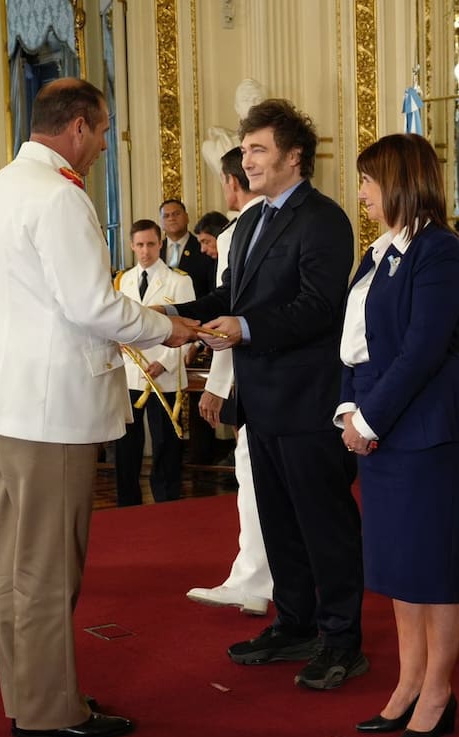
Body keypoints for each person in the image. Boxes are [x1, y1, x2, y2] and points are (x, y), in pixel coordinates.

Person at [0, 77, 196, 737]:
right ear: (79, 126)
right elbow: (90, 304)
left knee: (17, 560)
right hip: (47, 407)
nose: (104, 145)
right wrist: (166, 326)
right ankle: (50, 711)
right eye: (104, 130)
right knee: (48, 563)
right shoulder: (58, 195)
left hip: (1, 399)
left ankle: (32, 692)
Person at [174, 99, 366, 691]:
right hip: (261, 401)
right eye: (246, 149)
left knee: (324, 524)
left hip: (308, 401)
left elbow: (319, 307)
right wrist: (172, 314)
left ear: (294, 156)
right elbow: (231, 297)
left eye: (258, 149)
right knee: (278, 523)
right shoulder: (252, 221)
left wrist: (246, 328)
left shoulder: (324, 218)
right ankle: (295, 624)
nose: (247, 160)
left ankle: (341, 639)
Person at [337, 133, 459, 737]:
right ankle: (408, 682)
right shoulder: (376, 254)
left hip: (425, 428)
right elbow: (355, 346)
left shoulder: (439, 249)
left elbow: (422, 351)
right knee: (398, 562)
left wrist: (368, 420)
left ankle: (438, 691)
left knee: (431, 562)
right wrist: (349, 408)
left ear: (399, 181)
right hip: (379, 420)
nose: (362, 193)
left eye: (369, 181)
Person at [186, 146, 274, 616]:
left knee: (252, 476)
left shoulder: (236, 232)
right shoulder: (265, 223)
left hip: (250, 370)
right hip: (274, 369)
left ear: (230, 182)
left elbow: (229, 313)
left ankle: (253, 579)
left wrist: (217, 385)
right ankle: (260, 576)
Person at [113, 219, 195, 506]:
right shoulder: (123, 280)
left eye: (150, 244)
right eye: (139, 245)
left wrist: (165, 361)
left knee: (165, 442)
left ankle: (167, 499)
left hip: (164, 373)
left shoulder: (179, 281)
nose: (145, 251)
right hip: (131, 371)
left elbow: (189, 329)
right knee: (126, 442)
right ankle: (127, 501)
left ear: (160, 244)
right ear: (132, 246)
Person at [160, 198, 216, 298]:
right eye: (166, 216)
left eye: (176, 214)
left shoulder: (204, 247)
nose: (171, 218)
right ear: (161, 222)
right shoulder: (155, 250)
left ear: (187, 217)